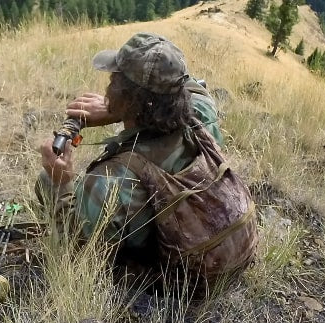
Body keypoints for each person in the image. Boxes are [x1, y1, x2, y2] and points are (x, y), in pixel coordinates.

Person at [37, 33, 257, 295]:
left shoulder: (113, 180)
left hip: (183, 286)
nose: (108, 86)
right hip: (233, 253)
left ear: (126, 98)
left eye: (113, 80)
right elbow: (192, 88)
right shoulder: (202, 114)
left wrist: (60, 183)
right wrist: (118, 110)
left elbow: (76, 256)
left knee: (48, 181)